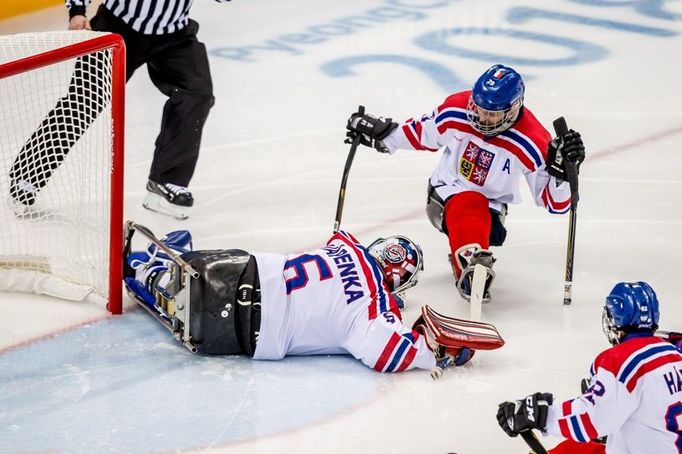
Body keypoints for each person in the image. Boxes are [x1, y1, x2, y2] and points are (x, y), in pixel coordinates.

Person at [122, 224, 504, 374]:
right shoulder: (373, 310)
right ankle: (153, 277)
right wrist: (438, 351)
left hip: (239, 271)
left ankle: (154, 268)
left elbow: (340, 266)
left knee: (211, 269)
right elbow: (391, 354)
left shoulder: (347, 246)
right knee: (191, 315)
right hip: (246, 334)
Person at [345, 64, 586, 302]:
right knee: (468, 200)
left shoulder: (532, 141)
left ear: (513, 109)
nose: (481, 116)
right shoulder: (456, 109)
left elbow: (556, 204)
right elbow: (421, 132)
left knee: (476, 203)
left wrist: (563, 175)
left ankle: (472, 258)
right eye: (479, 108)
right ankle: (470, 264)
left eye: (492, 114)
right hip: (444, 195)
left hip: (492, 215)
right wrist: (382, 135)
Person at [10, 0, 229, 219]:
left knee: (196, 94)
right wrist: (77, 11)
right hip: (119, 28)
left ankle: (166, 181)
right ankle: (28, 175)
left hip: (174, 35)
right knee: (85, 100)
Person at [496, 281, 682, 453]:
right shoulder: (675, 353)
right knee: (572, 449)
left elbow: (592, 420)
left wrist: (538, 414)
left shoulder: (621, 361)